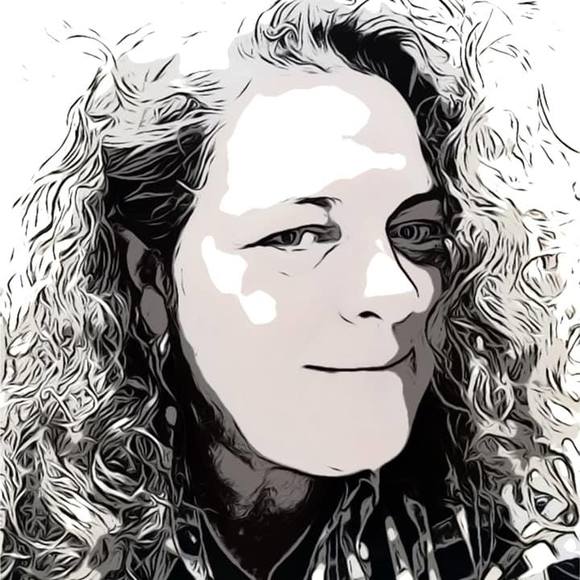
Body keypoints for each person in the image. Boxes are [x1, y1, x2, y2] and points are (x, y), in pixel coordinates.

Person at [1, 1, 579, 578]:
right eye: (296, 236)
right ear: (151, 279)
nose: (397, 291)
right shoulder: (33, 548)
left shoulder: (523, 538)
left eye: (415, 231)